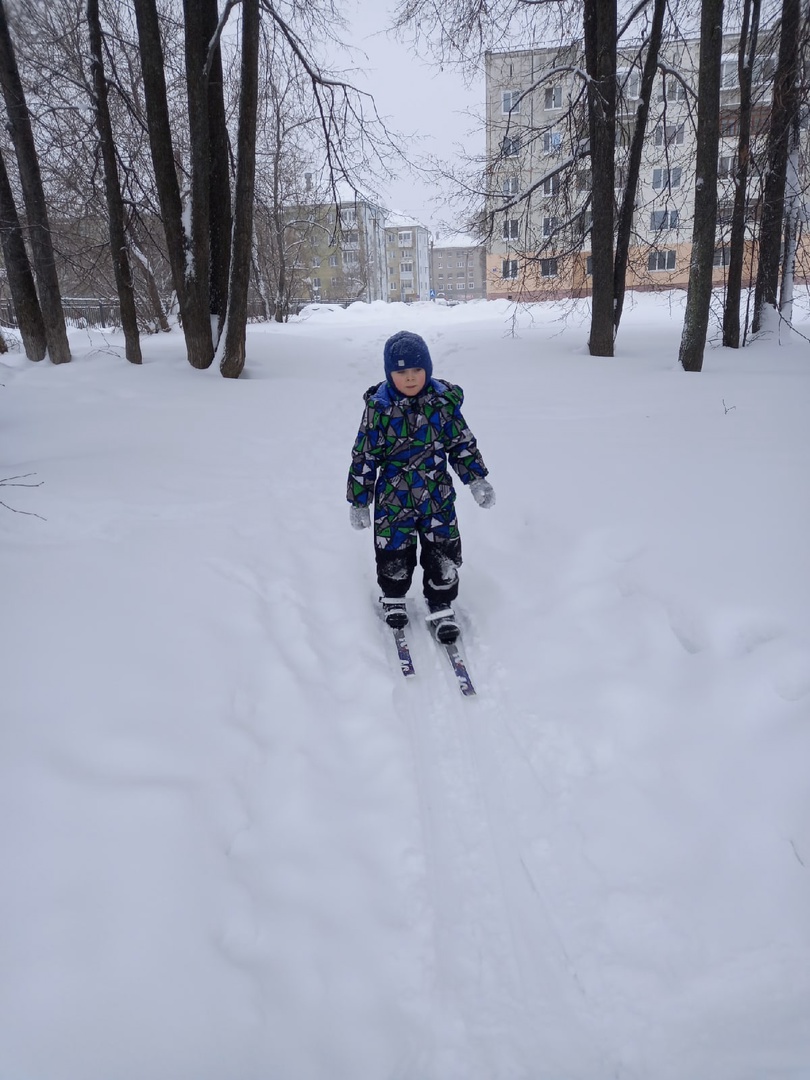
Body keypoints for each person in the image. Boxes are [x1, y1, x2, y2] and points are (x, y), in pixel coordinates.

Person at [347, 329, 495, 643]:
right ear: (389, 374)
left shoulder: (442, 404)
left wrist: (477, 479)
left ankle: (441, 602)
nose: (411, 378)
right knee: (393, 553)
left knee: (442, 554)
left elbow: (461, 444)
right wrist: (359, 500)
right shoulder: (380, 408)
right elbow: (365, 454)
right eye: (401, 372)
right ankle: (394, 596)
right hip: (393, 499)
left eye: (417, 370)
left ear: (427, 369)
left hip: (436, 497)